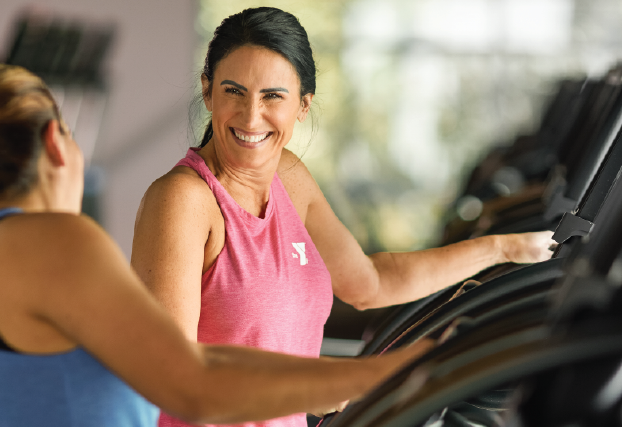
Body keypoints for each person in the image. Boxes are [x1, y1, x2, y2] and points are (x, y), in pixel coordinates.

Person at [0, 62, 431, 427]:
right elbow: (192, 384)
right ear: (58, 142)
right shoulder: (51, 239)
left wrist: (347, 377)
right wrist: (379, 376)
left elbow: (199, 358)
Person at [132, 6, 554, 427]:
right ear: (208, 92)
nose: (251, 115)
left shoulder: (289, 177)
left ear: (303, 103)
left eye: (272, 96)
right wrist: (338, 382)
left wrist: (506, 247)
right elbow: (176, 380)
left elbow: (371, 282)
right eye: (233, 91)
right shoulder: (183, 200)